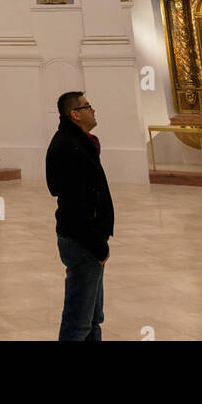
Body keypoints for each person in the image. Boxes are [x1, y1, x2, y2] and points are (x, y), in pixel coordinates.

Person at [45, 91, 114, 341]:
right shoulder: (69, 146)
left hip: (89, 240)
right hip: (83, 242)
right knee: (78, 323)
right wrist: (98, 246)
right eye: (87, 106)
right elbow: (74, 205)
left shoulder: (80, 141)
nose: (93, 110)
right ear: (75, 114)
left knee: (94, 318)